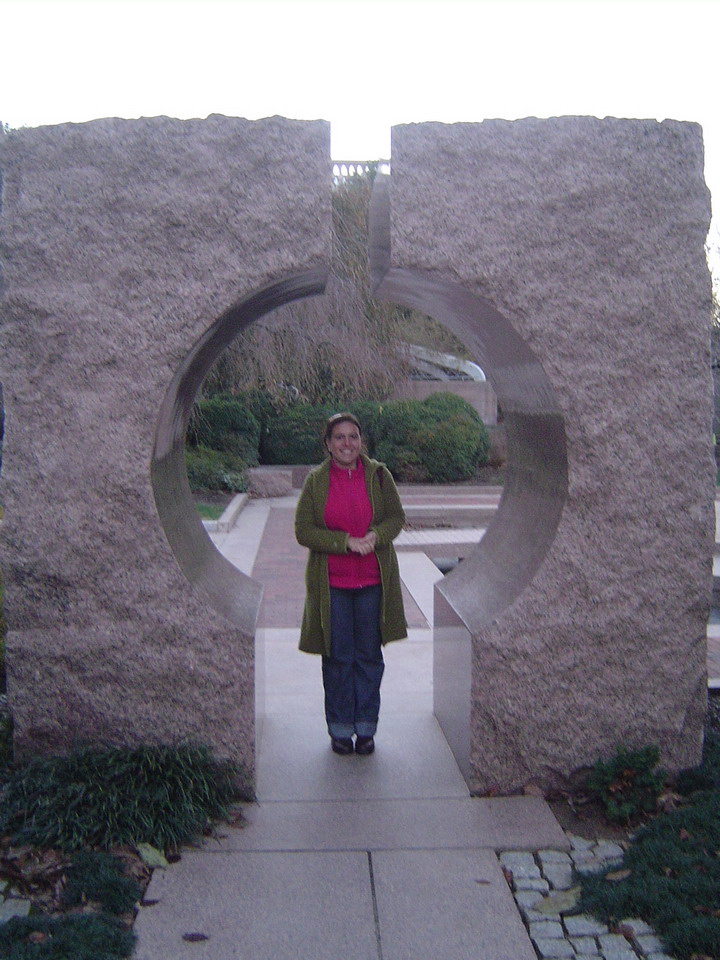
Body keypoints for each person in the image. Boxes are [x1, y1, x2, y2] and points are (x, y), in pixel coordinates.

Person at [294, 412, 407, 755]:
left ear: (361, 441)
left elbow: (396, 518)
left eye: (353, 436)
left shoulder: (379, 475)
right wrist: (344, 542)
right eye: (339, 437)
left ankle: (366, 728)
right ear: (328, 444)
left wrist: (376, 535)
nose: (347, 443)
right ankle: (341, 729)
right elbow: (304, 531)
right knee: (338, 658)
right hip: (333, 588)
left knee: (369, 657)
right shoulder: (316, 481)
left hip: (373, 584)